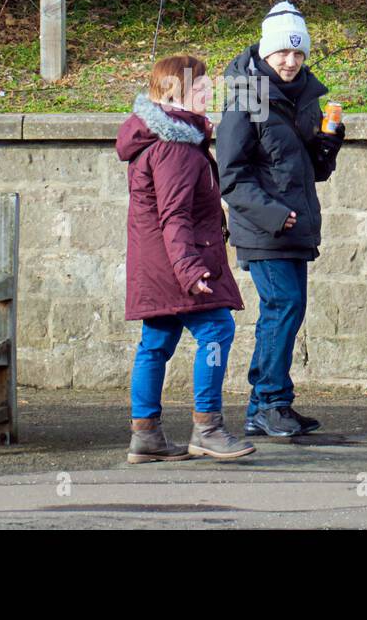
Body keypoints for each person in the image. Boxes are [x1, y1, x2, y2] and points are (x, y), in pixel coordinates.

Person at [114, 54, 257, 462]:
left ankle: (146, 435)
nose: (209, 93)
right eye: (201, 88)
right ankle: (207, 428)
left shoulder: (168, 137)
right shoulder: (175, 146)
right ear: (174, 91)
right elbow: (174, 215)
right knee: (217, 329)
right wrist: (190, 269)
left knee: (156, 341)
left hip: (156, 265)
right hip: (177, 264)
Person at [216, 1, 345, 438]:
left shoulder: (304, 96)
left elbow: (315, 170)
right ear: (265, 54)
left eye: (298, 53)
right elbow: (230, 176)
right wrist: (276, 215)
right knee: (283, 307)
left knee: (287, 311)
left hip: (295, 226)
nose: (291, 62)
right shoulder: (246, 98)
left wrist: (329, 143)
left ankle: (267, 405)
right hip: (265, 228)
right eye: (282, 54)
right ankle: (270, 402)